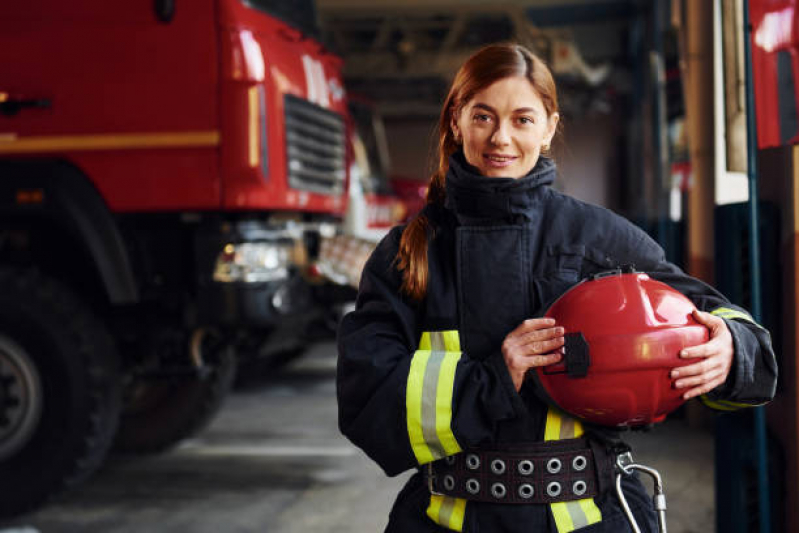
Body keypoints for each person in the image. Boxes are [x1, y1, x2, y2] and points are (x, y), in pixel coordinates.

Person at [336, 43, 777, 533]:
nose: (500, 137)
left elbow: (736, 331)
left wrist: (730, 347)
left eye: (522, 119)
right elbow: (365, 398)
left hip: (592, 520)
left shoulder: (601, 240)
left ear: (548, 128)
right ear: (456, 121)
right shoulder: (408, 254)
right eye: (483, 116)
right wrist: (494, 378)